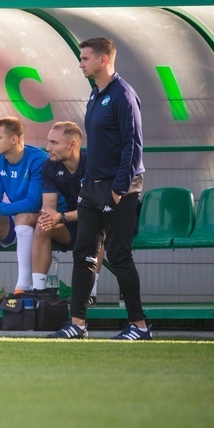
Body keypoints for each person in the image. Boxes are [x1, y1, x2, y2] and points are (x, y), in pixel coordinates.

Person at [51, 37, 149, 340]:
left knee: (119, 255)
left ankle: (140, 327)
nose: (80, 63)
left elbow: (133, 146)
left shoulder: (123, 95)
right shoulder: (95, 94)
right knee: (83, 255)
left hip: (119, 188)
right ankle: (77, 324)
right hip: (92, 187)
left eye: (85, 58)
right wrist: (89, 183)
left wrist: (119, 189)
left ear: (103, 60)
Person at [0, 116, 47, 300]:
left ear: (14, 139)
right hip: (13, 219)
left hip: (42, 221)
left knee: (24, 216)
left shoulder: (38, 159)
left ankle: (22, 288)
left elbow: (33, 203)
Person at [32, 121, 97, 297]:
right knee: (42, 225)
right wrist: (48, 216)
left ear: (72, 145)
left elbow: (94, 210)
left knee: (96, 229)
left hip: (99, 218)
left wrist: (60, 217)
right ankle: (38, 289)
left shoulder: (93, 165)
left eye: (54, 143)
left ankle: (90, 294)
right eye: (48, 141)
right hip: (70, 220)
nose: (48, 148)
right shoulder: (49, 166)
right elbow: (49, 204)